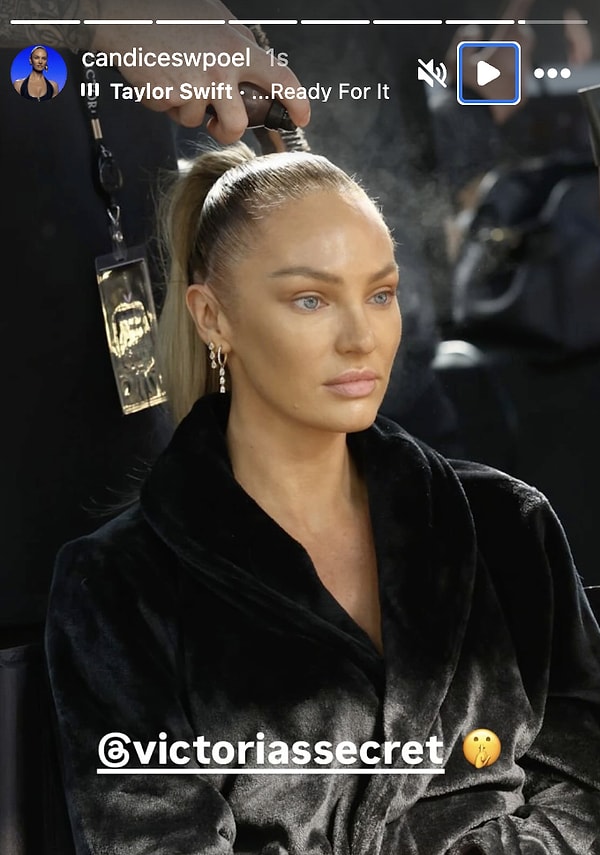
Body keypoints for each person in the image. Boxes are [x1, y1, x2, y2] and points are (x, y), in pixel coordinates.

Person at [46, 143, 600, 855]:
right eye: (311, 299)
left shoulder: (506, 524)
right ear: (212, 317)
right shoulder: (117, 586)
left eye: (380, 294)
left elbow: (585, 783)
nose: (361, 337)